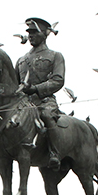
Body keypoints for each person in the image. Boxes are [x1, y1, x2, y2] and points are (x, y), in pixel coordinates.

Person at [14, 17, 66, 168]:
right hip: (24, 103)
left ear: (45, 34)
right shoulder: (21, 60)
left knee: (47, 115)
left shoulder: (55, 56)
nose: (30, 35)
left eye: (34, 32)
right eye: (29, 32)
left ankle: (54, 153)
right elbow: (14, 85)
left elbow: (58, 80)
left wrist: (36, 89)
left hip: (44, 101)